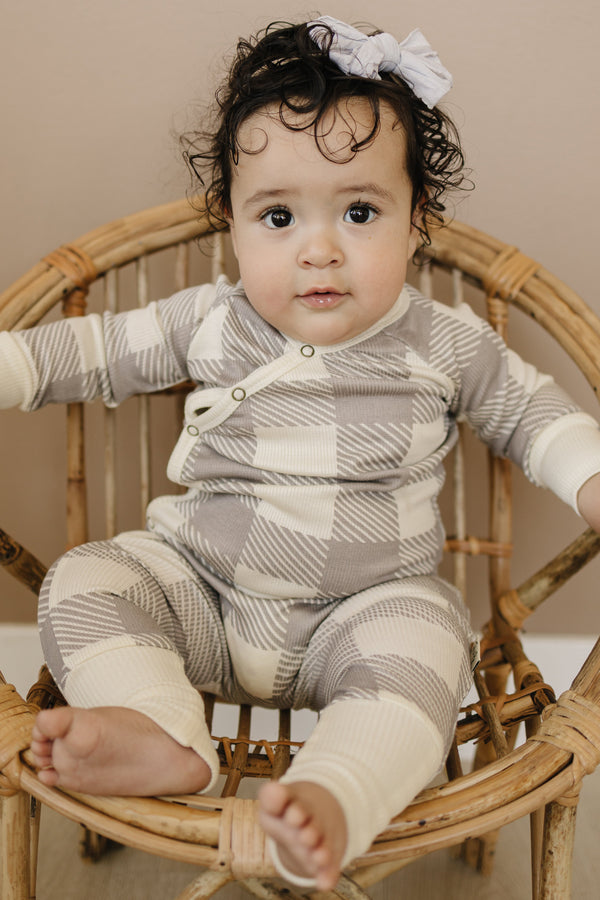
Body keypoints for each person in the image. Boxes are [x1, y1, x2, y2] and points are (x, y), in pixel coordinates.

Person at [2, 14, 600, 891]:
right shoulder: (209, 317)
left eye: (359, 211)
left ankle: (333, 797)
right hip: (200, 589)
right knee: (87, 580)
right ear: (233, 230)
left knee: (430, 647)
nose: (319, 249)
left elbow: (533, 414)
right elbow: (81, 353)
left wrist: (589, 476)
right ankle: (161, 732)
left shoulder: (442, 341)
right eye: (278, 216)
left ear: (415, 222)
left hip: (362, 611)